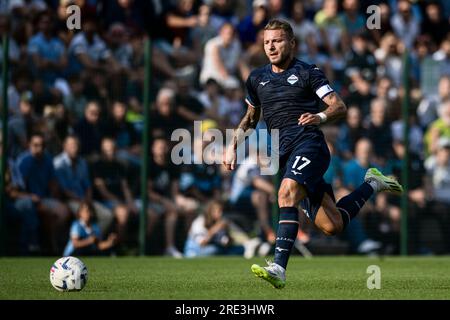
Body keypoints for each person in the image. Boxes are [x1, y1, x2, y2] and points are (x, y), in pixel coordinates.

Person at [224, 20, 403, 289]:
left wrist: (319, 116)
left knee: (286, 192)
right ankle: (372, 183)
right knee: (333, 225)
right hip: (285, 155)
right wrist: (232, 146)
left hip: (311, 146)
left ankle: (278, 268)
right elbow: (251, 118)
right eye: (267, 42)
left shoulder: (308, 73)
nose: (271, 46)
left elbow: (338, 106)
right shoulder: (256, 78)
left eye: (277, 40)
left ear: (292, 43)